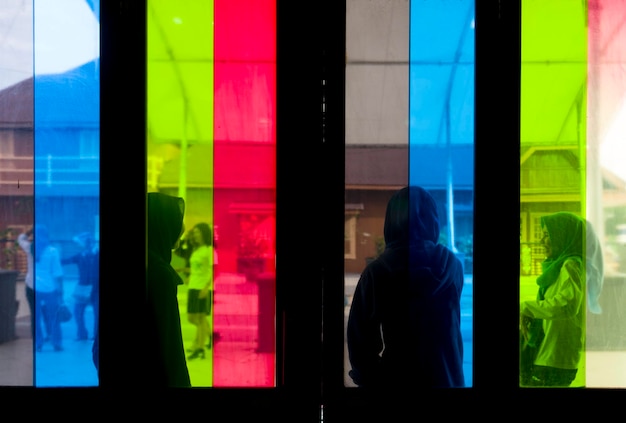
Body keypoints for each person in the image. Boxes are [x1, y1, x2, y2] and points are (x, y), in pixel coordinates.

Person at [347, 185, 465, 388]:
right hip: (449, 382)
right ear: (433, 220)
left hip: (397, 384)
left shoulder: (377, 273)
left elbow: (361, 348)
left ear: (391, 221)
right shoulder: (452, 266)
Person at [520, 212, 588, 387]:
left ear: (563, 236)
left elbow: (567, 305)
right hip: (549, 355)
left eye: (547, 235)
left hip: (556, 359)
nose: (541, 242)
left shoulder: (571, 265)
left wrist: (526, 307)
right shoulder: (558, 268)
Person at [146, 192, 191, 387]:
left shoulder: (151, 262)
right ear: (161, 224)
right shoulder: (158, 274)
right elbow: (170, 346)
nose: (181, 228)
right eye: (176, 221)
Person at [32, 225, 65, 352]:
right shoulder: (52, 251)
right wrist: (61, 292)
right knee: (54, 317)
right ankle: (56, 342)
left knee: (36, 317)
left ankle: (38, 343)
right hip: (50, 288)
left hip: (34, 288)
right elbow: (57, 273)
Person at [185, 222, 215, 359]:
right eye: (194, 232)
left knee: (200, 318)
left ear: (204, 233)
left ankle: (199, 348)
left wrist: (206, 287)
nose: (195, 234)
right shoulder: (196, 249)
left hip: (203, 288)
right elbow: (197, 269)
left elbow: (215, 271)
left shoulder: (209, 250)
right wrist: (187, 274)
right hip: (193, 286)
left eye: (198, 232)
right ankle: (208, 335)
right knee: (192, 318)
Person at [62, 232, 99, 341]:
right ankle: (82, 334)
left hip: (97, 289)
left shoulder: (97, 254)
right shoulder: (80, 255)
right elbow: (65, 261)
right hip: (82, 289)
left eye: (88, 242)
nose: (86, 245)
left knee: (97, 314)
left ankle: (95, 335)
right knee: (78, 312)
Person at [17, 227, 36, 340]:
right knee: (47, 313)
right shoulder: (50, 250)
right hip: (46, 288)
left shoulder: (29, 247)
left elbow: (21, 238)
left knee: (34, 313)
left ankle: (36, 336)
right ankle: (49, 334)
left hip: (31, 285)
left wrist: (28, 231)